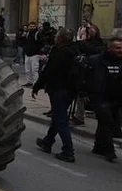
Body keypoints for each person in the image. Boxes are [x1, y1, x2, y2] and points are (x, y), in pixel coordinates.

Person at [33, 28, 78, 163]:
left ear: (61, 39)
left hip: (58, 89)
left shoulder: (58, 52)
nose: (55, 38)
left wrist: (37, 85)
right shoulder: (75, 50)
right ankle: (48, 142)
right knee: (59, 116)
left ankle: (68, 151)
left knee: (61, 120)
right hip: (70, 91)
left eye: (57, 36)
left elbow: (48, 71)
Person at [85, 32, 122, 162]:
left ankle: (98, 146)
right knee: (108, 122)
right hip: (99, 97)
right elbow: (86, 79)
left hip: (116, 98)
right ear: (109, 48)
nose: (120, 50)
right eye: (117, 48)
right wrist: (84, 94)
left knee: (106, 123)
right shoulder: (96, 61)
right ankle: (109, 150)